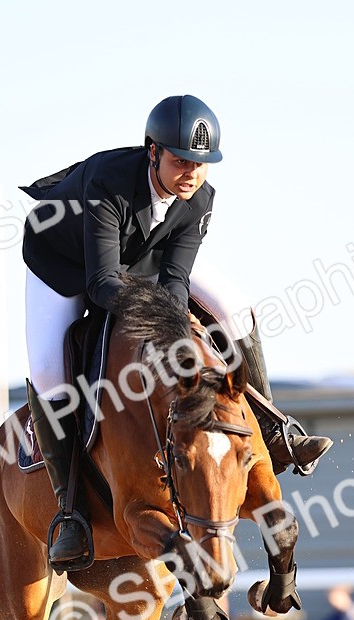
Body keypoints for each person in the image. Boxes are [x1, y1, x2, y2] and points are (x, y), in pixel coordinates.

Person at [20, 94, 332, 571]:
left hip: (143, 260)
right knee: (48, 373)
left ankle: (273, 429)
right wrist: (154, 317)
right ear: (152, 152)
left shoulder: (199, 198)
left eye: (201, 164)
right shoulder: (109, 183)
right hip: (63, 265)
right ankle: (70, 514)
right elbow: (101, 282)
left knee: (235, 310)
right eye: (180, 161)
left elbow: (174, 281)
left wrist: (173, 334)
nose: (191, 172)